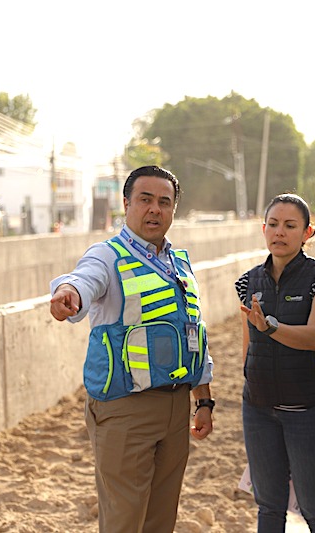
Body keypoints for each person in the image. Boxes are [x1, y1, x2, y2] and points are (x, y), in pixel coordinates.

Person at [49, 165, 214, 532]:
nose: (155, 209)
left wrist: (203, 400)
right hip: (125, 412)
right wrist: (69, 293)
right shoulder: (107, 256)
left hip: (176, 408)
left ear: (173, 210)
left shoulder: (180, 264)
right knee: (123, 521)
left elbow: (193, 334)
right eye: (145, 200)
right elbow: (84, 278)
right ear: (126, 203)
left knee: (161, 521)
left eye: (164, 202)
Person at [235, 193, 315, 532]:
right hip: (258, 410)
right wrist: (251, 381)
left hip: (308, 411)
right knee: (268, 506)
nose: (280, 232)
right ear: (263, 228)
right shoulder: (248, 282)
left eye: (290, 226)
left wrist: (271, 326)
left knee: (313, 505)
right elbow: (247, 346)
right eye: (274, 224)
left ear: (308, 233)